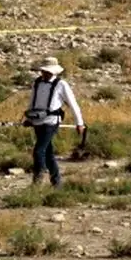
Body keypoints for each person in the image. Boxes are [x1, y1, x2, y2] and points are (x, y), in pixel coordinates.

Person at [22, 56, 85, 187]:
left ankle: (38, 179)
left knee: (38, 151)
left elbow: (73, 105)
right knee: (48, 153)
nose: (44, 74)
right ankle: (57, 184)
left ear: (54, 72)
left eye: (47, 71)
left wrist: (80, 123)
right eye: (43, 71)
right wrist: (28, 118)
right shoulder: (37, 83)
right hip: (37, 121)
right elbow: (32, 101)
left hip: (51, 121)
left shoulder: (61, 85)